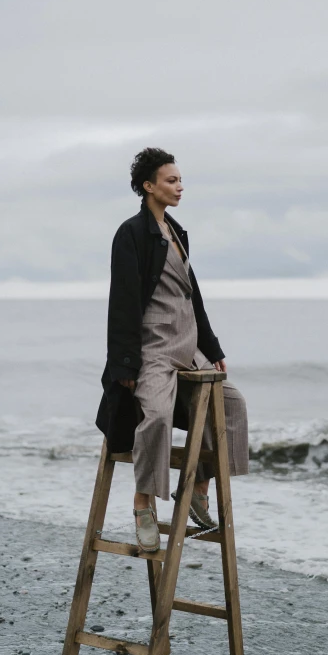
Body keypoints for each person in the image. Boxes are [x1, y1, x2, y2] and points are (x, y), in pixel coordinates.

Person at [96, 148, 249, 551]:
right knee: (158, 418)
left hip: (189, 343)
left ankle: (199, 484)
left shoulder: (177, 233)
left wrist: (212, 346)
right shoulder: (132, 233)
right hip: (154, 346)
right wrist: (125, 362)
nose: (179, 187)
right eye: (170, 180)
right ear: (148, 186)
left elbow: (192, 296)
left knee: (232, 404)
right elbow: (124, 301)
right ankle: (143, 503)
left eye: (180, 180)